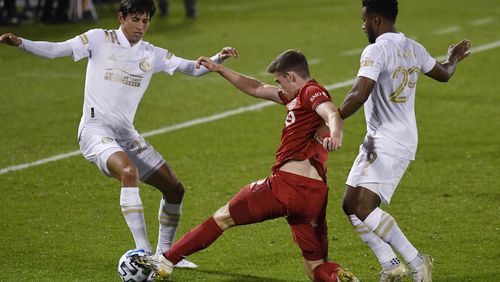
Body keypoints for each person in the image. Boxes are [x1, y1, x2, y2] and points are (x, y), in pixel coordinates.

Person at [0, 0, 237, 268]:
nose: (141, 26)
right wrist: (22, 43)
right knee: (128, 173)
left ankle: (165, 254)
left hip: (126, 134)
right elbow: (57, 50)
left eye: (145, 21)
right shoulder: (99, 39)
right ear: (121, 17)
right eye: (135, 19)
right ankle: (143, 251)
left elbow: (192, 68)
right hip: (94, 130)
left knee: (174, 189)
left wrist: (218, 59)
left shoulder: (152, 53)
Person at [134, 50, 359, 282]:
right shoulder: (294, 97)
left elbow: (332, 112)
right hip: (313, 196)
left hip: (286, 187)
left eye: (280, 82)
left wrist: (336, 134)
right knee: (316, 268)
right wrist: (221, 69)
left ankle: (166, 260)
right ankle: (338, 277)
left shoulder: (311, 91)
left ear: (292, 77)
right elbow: (256, 88)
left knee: (223, 217)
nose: (278, 88)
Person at [337, 0, 471, 281]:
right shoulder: (414, 47)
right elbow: (444, 73)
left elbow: (358, 93)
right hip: (380, 139)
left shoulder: (376, 49)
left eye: (364, 20)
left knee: (364, 207)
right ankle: (390, 264)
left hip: (390, 140)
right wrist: (454, 57)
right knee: (350, 204)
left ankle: (416, 262)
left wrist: (332, 119)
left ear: (376, 20)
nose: (361, 25)